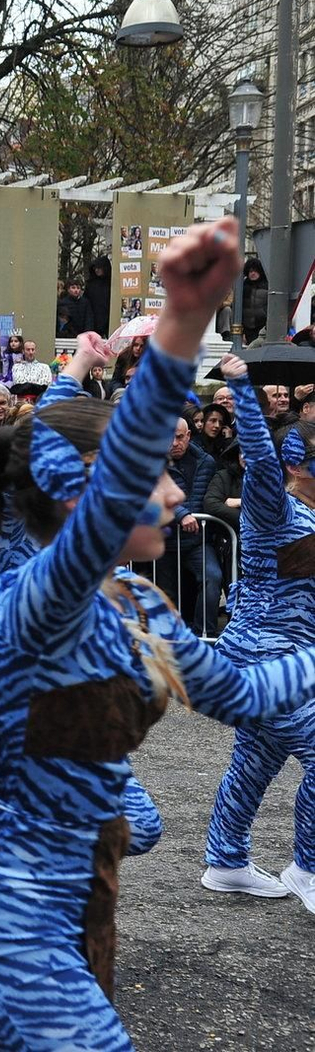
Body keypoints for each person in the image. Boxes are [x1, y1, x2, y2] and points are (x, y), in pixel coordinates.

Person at [0, 219, 315, 1049]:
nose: (177, 493)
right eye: (156, 475)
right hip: (11, 922)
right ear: (86, 500)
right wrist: (180, 324)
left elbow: (237, 690)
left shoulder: (137, 600)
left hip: (79, 907)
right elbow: (99, 491)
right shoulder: (39, 598)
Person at [200, 353, 315, 906]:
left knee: (256, 759)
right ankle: (307, 869)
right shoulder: (276, 511)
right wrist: (244, 389)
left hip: (294, 658)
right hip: (261, 656)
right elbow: (263, 467)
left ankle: (225, 861)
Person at [156, 417, 222, 635]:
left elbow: (208, 496)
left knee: (212, 578)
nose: (174, 443)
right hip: (164, 540)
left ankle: (206, 634)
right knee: (166, 593)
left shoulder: (206, 461)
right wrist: (182, 514)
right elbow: (152, 492)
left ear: (189, 436)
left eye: (179, 437)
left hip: (197, 540)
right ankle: (169, 641)